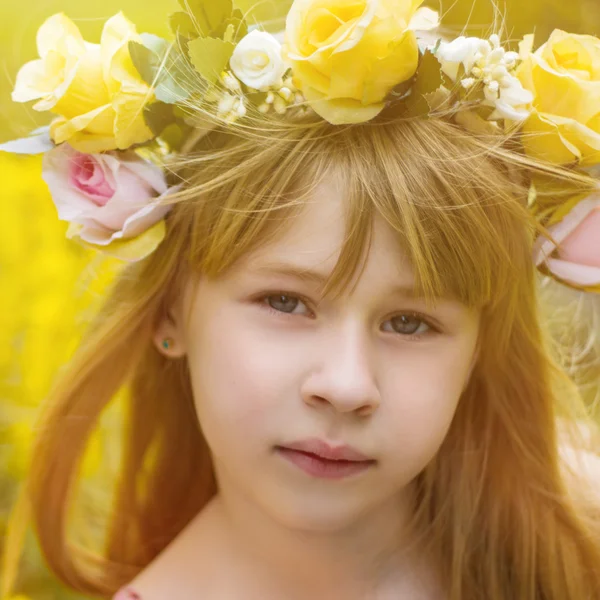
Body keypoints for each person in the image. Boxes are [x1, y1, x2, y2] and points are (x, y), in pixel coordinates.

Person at [1, 1, 600, 599]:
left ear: (479, 348)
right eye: (286, 303)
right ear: (171, 311)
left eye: (410, 322)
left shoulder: (575, 543)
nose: (346, 386)